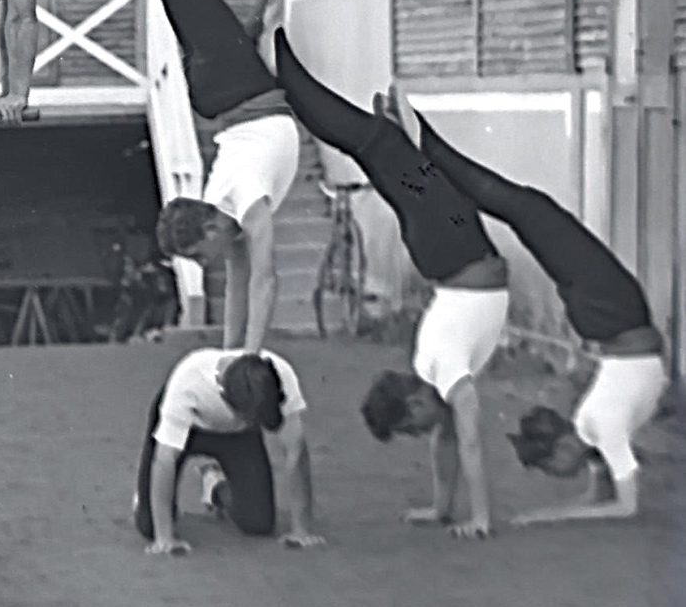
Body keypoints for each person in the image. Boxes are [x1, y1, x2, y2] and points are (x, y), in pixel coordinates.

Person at [70, 0, 297, 348]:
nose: (207, 265)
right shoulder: (231, 216)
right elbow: (244, 284)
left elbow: (266, 280)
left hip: (237, 93)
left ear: (211, 227)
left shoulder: (242, 197)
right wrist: (236, 356)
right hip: (230, 93)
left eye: (199, 256)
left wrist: (250, 356)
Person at [274, 34, 509, 539]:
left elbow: (468, 441)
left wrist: (481, 517)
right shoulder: (435, 375)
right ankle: (393, 136)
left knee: (369, 145)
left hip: (453, 247)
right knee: (378, 155)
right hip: (448, 252)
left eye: (412, 427)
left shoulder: (445, 370)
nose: (423, 434)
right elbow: (449, 439)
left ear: (416, 403)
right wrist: (441, 509)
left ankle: (283, 65)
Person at [405, 115, 668, 527]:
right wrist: (544, 516)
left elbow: (620, 505)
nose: (559, 476)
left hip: (612, 314)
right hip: (610, 316)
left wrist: (547, 517)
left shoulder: (598, 428)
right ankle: (429, 156)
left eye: (553, 468)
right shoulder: (595, 431)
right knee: (528, 211)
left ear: (564, 448)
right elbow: (606, 499)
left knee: (527, 211)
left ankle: (429, 153)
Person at [135, 347, 324, 556]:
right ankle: (144, 497)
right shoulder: (189, 378)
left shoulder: (281, 373)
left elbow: (296, 450)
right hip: (190, 428)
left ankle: (214, 487)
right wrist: (165, 538)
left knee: (258, 523)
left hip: (238, 435)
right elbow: (165, 460)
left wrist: (300, 530)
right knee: (149, 525)